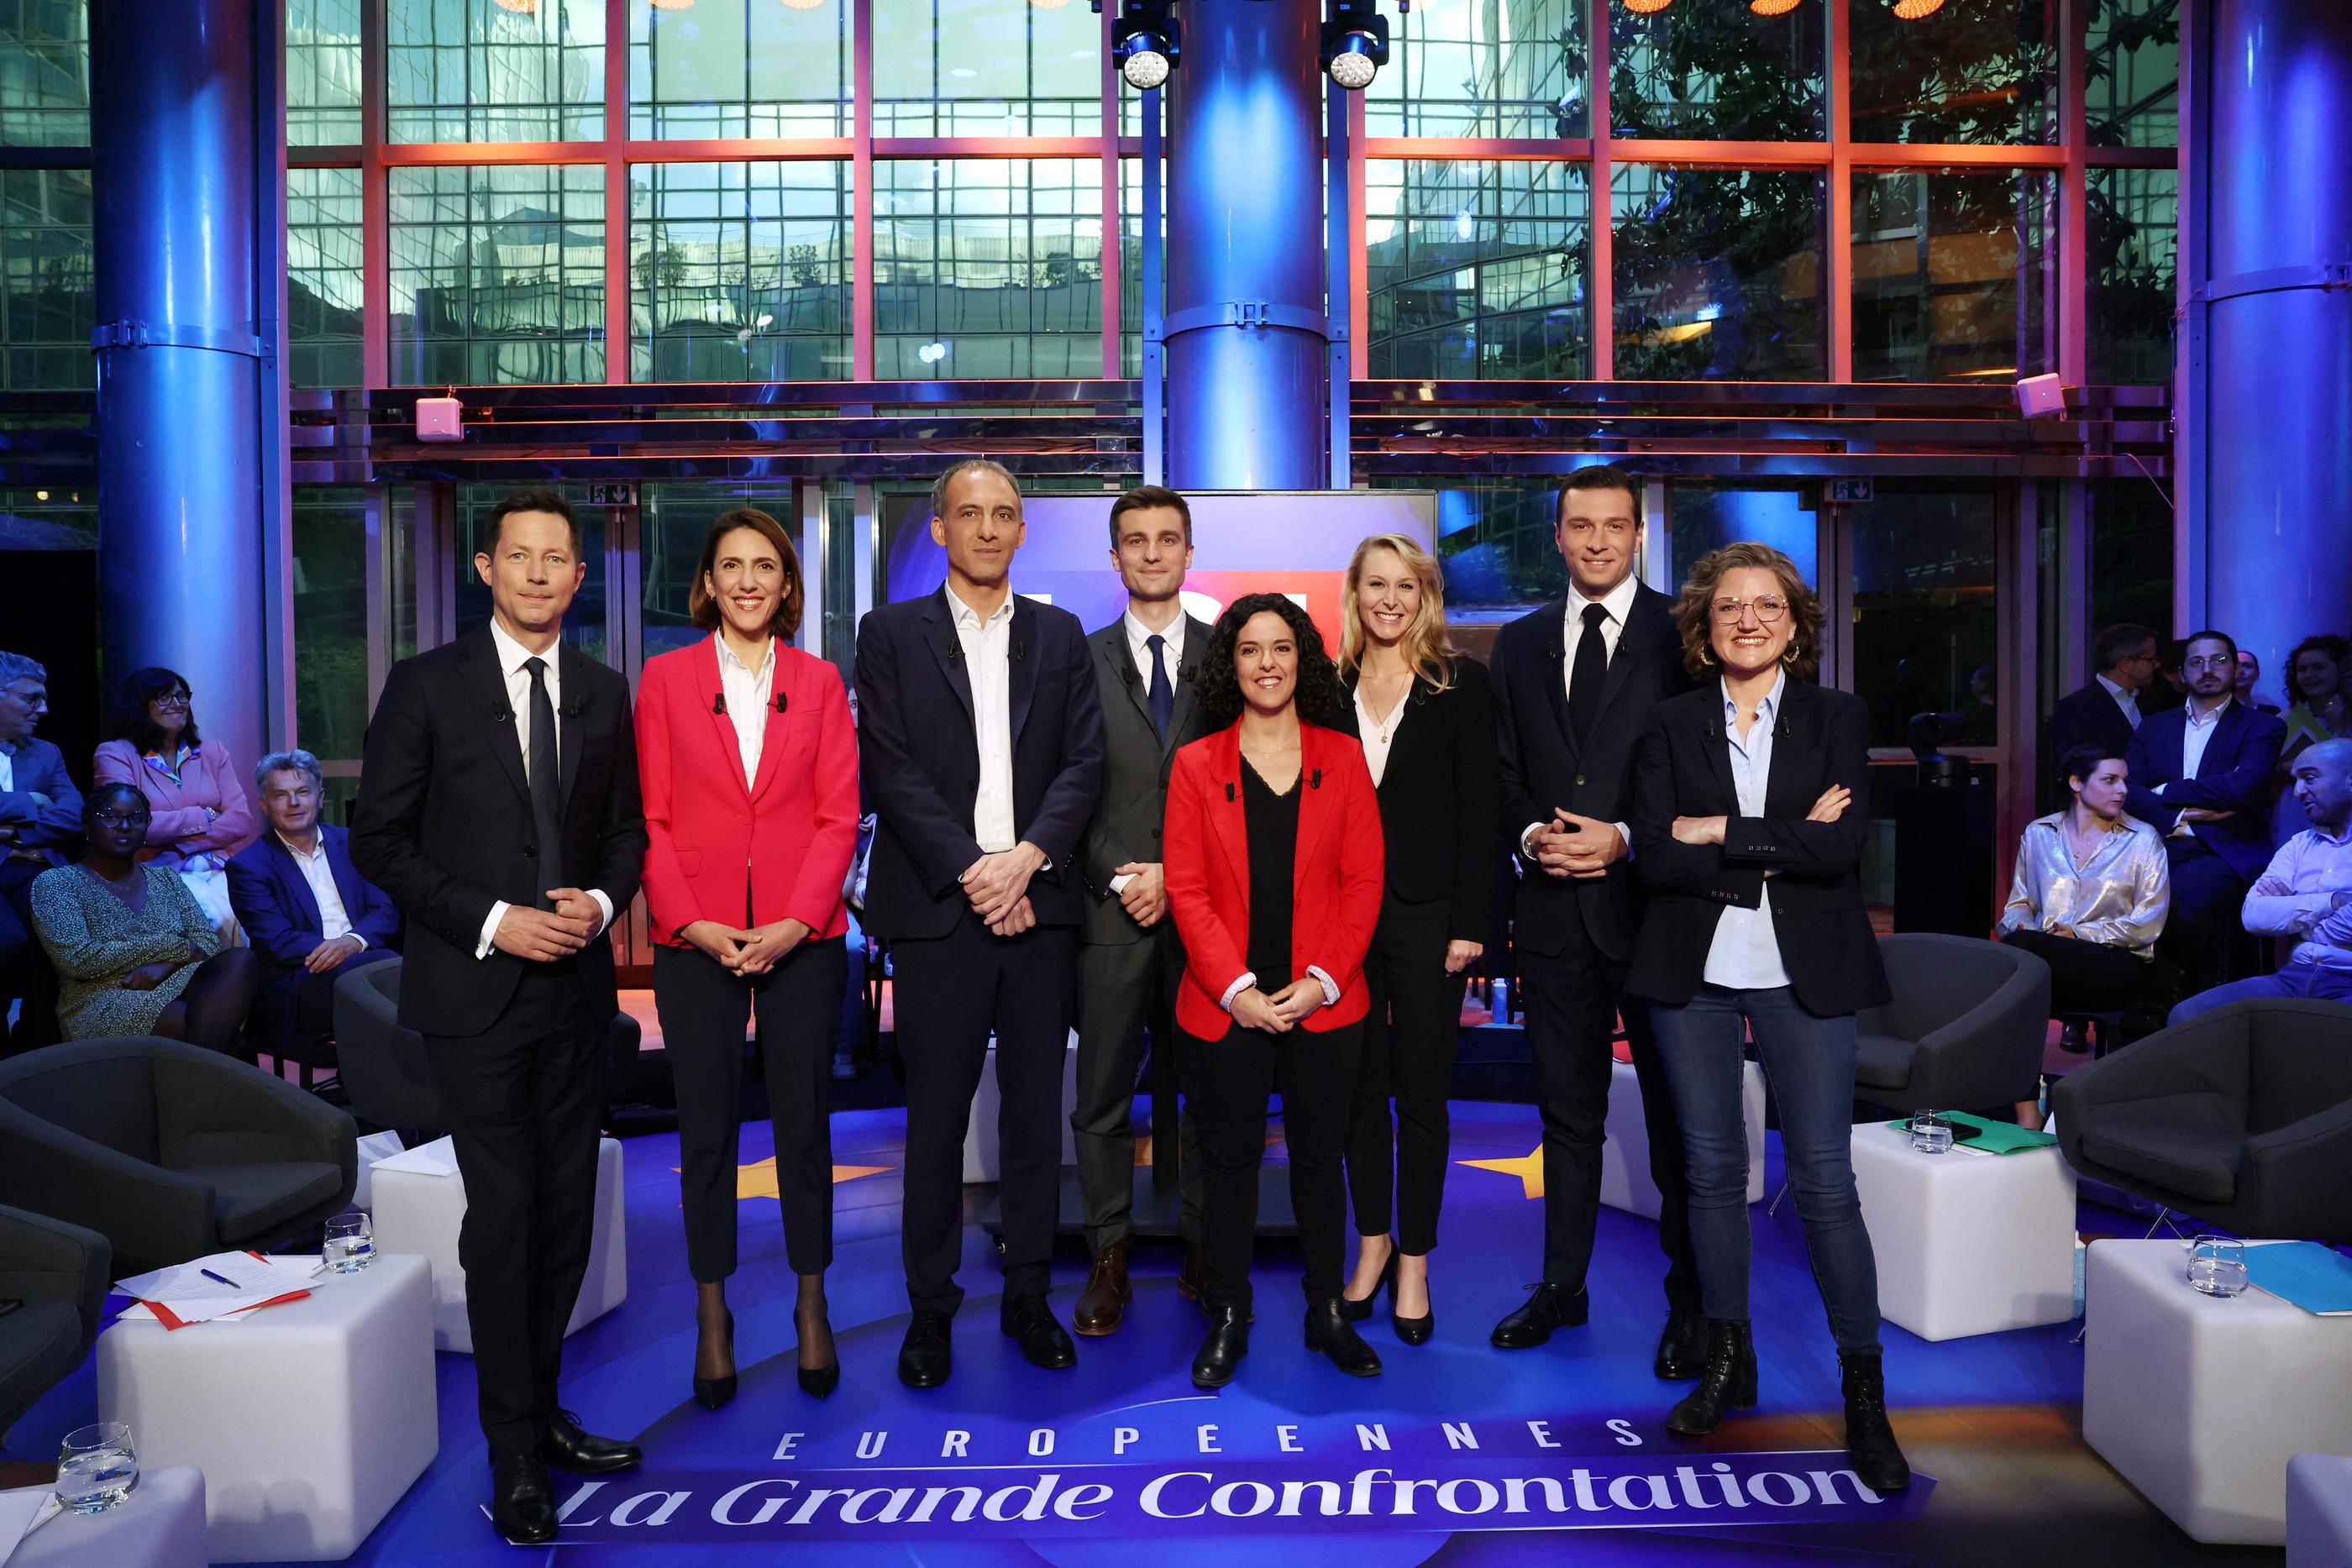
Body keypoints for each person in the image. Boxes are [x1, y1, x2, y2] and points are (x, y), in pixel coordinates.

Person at [350, 489, 648, 1547]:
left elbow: (626, 834)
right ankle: (513, 1448)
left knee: (567, 1214)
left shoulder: (608, 693)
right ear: (487, 568)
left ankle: (546, 1409)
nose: (536, 573)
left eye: (555, 558)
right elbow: (379, 840)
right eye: (518, 555)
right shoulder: (427, 686)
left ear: (578, 576)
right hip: (474, 997)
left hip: (576, 995)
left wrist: (603, 904)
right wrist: (492, 920)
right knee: (508, 1215)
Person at [1625, 539, 1908, 1494]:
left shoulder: (1835, 715)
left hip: (1806, 969)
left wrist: (1723, 830)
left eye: (1768, 605)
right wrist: (1776, 838)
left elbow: (1840, 852)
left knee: (1825, 1183)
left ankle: (1862, 1392)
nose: (1748, 619)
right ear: (1705, 628)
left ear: (1795, 621)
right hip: (1692, 969)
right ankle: (1726, 1357)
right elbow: (1659, 854)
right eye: (1729, 607)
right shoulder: (1670, 723)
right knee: (1709, 1175)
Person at [853, 459, 1104, 1391]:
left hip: (1038, 904)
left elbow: (1084, 763)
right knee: (935, 1119)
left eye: (1003, 513)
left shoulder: (1060, 634)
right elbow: (891, 768)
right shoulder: (889, 634)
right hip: (938, 910)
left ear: (1021, 529)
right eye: (970, 514)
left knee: (1039, 1116)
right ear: (940, 528)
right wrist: (972, 868)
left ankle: (1029, 1295)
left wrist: (1025, 859)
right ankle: (930, 1310)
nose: (988, 528)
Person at [636, 507, 858, 1408]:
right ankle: (713, 1311)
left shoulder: (818, 679)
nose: (747, 581)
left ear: (786, 582)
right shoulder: (663, 678)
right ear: (708, 582)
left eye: (764, 565)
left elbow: (838, 815)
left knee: (806, 1130)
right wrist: (693, 923)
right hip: (697, 938)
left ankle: (813, 1302)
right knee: (707, 1136)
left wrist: (797, 921)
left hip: (803, 940)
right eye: (730, 565)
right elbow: (647, 817)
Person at [1484, 464, 1704, 1381]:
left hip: (1653, 912)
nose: (1600, 541)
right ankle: (1560, 1285)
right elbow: (1500, 772)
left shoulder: (1682, 636)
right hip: (1551, 917)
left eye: (1616, 525)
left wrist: (1621, 838)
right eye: (1582, 525)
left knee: (1676, 1119)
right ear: (1559, 534)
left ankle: (1691, 1302)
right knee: (1565, 1116)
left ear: (1638, 534)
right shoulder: (1518, 642)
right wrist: (1536, 831)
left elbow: (1700, 771)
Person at [1163, 594, 1385, 1388]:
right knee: (1227, 1164)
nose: (1267, 663)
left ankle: (1326, 1310)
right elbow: (1186, 891)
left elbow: (1364, 883)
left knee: (1323, 1161)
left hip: (1325, 1002)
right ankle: (1229, 1311)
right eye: (1251, 649)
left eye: (1281, 648)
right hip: (1227, 1008)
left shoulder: (1344, 756)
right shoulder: (1196, 765)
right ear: (1231, 663)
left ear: (1302, 660)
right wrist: (1239, 989)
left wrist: (1320, 982)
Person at [1334, 533, 1497, 1345]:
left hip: (1432, 920)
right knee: (1359, 1091)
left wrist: (1473, 923)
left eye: (1405, 585)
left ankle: (1416, 1261)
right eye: (1376, 584)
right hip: (1339, 926)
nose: (1389, 599)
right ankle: (1372, 1242)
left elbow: (1482, 810)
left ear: (1424, 595)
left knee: (1422, 1096)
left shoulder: (1461, 684)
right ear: (1355, 593)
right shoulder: (1324, 687)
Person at [1070, 485, 1214, 1336]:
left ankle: (1204, 1245)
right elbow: (1063, 790)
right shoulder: (1073, 658)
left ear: (1189, 554)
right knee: (1101, 1101)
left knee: (1205, 1093)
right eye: (1135, 540)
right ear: (1115, 556)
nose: (1152, 553)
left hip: (1205, 916)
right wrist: (1122, 876)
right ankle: (1108, 1256)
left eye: (1167, 539)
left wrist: (1179, 874)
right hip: (1109, 913)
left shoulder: (1229, 655)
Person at [29, 783, 260, 1049]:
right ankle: (205, 1077)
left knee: (241, 960)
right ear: (88, 826)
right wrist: (177, 947)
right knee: (216, 1026)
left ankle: (197, 1079)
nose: (124, 826)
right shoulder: (57, 883)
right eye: (110, 816)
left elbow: (208, 942)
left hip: (177, 981)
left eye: (136, 818)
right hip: (105, 997)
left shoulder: (166, 878)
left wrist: (164, 966)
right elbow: (79, 959)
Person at [2124, 629, 2287, 991]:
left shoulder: (2263, 726)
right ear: (2182, 673)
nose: (2207, 668)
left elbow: (2243, 786)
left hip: (2222, 849)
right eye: (2196, 662)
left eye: (2219, 660)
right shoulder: (2153, 726)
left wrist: (2166, 790)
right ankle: (2141, 1004)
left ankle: (2173, 1001)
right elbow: (2129, 790)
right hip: (2154, 844)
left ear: (2234, 670)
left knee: (2173, 905)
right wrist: (2177, 814)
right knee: (2105, 899)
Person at [224, 749, 402, 1065]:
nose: (294, 803)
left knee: (402, 970)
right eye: (281, 795)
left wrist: (353, 942)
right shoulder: (248, 866)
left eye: (302, 792)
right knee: (390, 970)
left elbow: (386, 908)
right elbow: (277, 941)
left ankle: (389, 1090)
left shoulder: (353, 845)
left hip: (365, 958)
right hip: (304, 980)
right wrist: (341, 951)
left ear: (320, 797)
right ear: (264, 805)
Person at [2168, 737, 2352, 1024]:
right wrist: (2333, 902)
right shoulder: (2298, 845)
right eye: (2296, 781)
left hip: (2348, 981)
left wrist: (2291, 908)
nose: (2299, 791)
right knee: (2187, 1016)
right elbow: (2253, 915)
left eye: (2310, 778)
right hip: (2296, 976)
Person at [1997, 746, 2171, 1015]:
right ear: (2076, 782)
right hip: (2045, 955)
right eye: (2110, 780)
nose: (2123, 789)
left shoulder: (2143, 839)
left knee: (2017, 958)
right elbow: (2018, 904)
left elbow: (2147, 924)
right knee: (2018, 952)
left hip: (2114, 962)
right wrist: (2024, 927)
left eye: (2125, 780)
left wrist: (2079, 933)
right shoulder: (2039, 834)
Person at [94, 667, 258, 942]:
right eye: (164, 697)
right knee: (219, 918)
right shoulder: (116, 754)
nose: (177, 704)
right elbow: (131, 824)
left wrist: (175, 837)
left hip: (219, 863)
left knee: (254, 915)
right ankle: (227, 983)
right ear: (139, 704)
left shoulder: (211, 751)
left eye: (182, 696)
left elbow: (241, 820)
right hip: (159, 868)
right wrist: (204, 815)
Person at [0, 651, 80, 1051]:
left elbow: (74, 815)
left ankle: (36, 1050)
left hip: (34, 866)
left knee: (61, 943)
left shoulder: (46, 752)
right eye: (31, 699)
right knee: (8, 945)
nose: (43, 709)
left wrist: (11, 830)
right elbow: (49, 807)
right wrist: (30, 800)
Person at [2049, 623, 2159, 771]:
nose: (2157, 665)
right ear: (2125, 665)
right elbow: (2071, 770)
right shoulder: (2075, 708)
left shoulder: (2148, 702)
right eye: (2151, 660)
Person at [2278, 634, 2352, 768]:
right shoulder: (2285, 719)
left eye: (2319, 667)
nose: (2309, 675)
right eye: (2302, 669)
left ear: (2341, 671)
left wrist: (2338, 729)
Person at [2235, 649, 2281, 714]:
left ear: (2257, 675)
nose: (2240, 671)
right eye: (2235, 666)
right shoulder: (2216, 712)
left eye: (2247, 666)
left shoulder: (2272, 713)